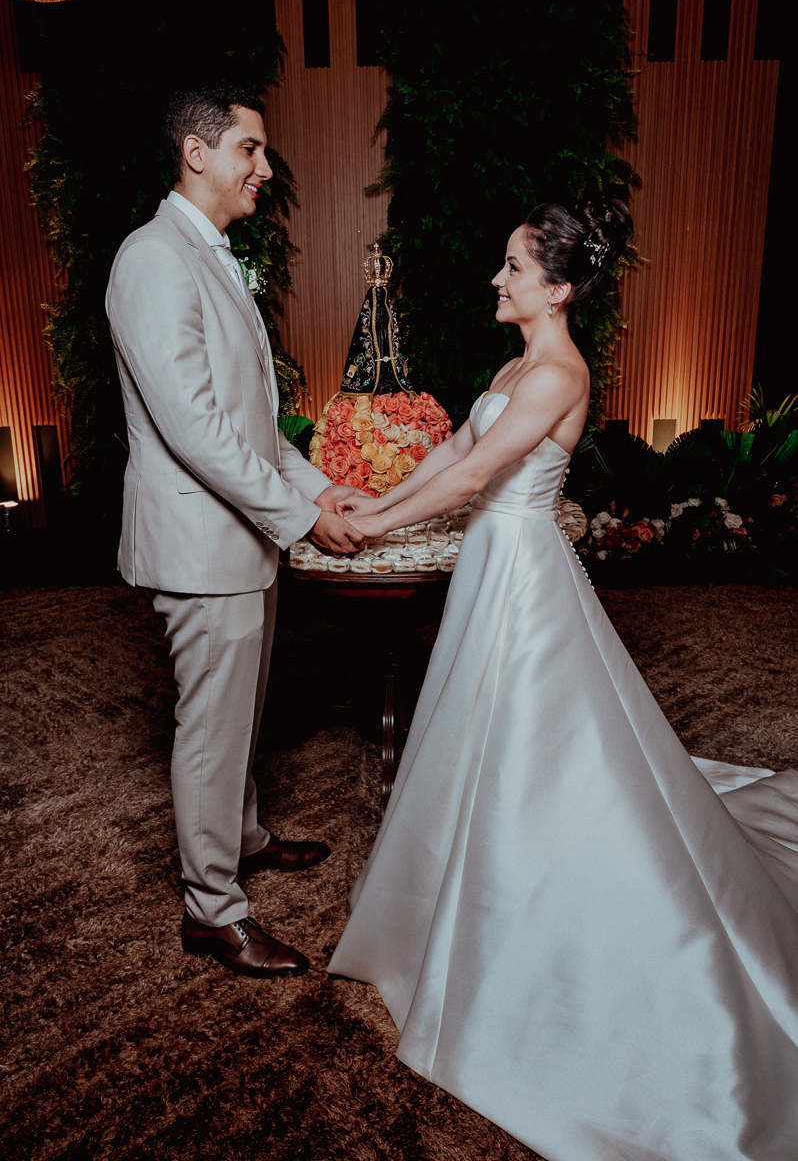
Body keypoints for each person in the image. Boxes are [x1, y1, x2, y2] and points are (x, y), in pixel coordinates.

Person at [328, 200, 798, 1159]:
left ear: (559, 288)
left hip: (524, 574)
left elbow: (470, 488)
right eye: (502, 265)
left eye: (512, 267)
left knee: (532, 741)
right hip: (489, 569)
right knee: (473, 729)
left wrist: (370, 531)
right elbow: (455, 453)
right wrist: (371, 499)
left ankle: (527, 902)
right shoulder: (512, 368)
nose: (496, 280)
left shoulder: (559, 373)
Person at [106, 85, 363, 979]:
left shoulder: (209, 255)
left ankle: (243, 836)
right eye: (250, 150)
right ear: (197, 152)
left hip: (236, 541)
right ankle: (212, 912)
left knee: (241, 710)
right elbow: (195, 431)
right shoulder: (153, 259)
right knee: (211, 728)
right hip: (199, 548)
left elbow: (250, 424)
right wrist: (302, 520)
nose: (264, 167)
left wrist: (327, 486)